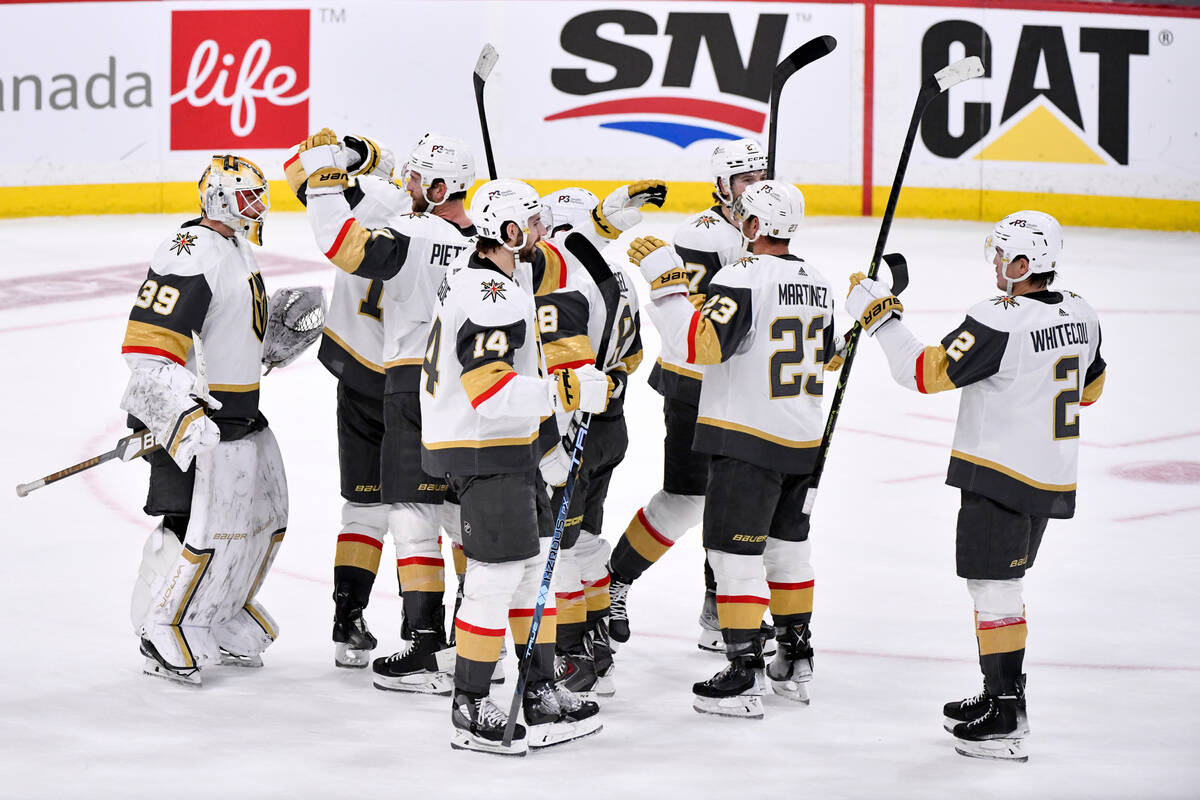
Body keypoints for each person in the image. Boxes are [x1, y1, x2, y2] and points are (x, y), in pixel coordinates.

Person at [844, 210, 1106, 761]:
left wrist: (879, 317)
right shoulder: (1083, 312)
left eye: (1001, 253)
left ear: (1023, 263)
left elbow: (925, 372)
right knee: (998, 587)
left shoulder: (1000, 317)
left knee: (995, 590)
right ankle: (999, 695)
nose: (994, 261)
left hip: (1001, 473)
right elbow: (1092, 388)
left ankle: (1007, 711)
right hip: (1050, 473)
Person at [421, 178, 610, 754]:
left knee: (531, 572)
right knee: (497, 575)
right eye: (531, 224)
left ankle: (540, 688)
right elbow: (490, 391)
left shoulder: (495, 280)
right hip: (484, 445)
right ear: (506, 232)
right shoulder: (490, 295)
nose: (540, 233)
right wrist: (570, 388)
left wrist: (546, 446)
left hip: (506, 445)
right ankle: (471, 700)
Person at [628, 181, 830, 718]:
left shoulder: (742, 274)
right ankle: (794, 657)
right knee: (788, 553)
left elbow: (699, 345)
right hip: (803, 440)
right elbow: (827, 353)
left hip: (748, 436)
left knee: (732, 556)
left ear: (757, 227)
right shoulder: (818, 280)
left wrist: (667, 288)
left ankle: (745, 671)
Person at [291, 129, 478, 693]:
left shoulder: (385, 206)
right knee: (444, 510)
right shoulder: (467, 235)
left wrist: (343, 157)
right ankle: (459, 629)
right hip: (432, 379)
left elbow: (306, 180)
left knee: (374, 509)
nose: (407, 182)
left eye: (414, 176)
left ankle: (363, 622)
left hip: (373, 374)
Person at [123, 155, 289, 686]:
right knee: (187, 521)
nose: (258, 206)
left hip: (234, 413)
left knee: (245, 522)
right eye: (247, 196)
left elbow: (223, 328)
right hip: (188, 417)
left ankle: (215, 608)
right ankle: (159, 624)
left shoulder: (234, 245)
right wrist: (179, 410)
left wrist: (267, 344)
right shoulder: (189, 249)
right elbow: (150, 343)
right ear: (218, 198)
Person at [606, 139, 772, 653]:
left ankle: (719, 609)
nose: (754, 188)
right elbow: (698, 320)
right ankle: (616, 579)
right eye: (744, 180)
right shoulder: (699, 235)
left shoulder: (764, 226)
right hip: (694, 385)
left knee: (734, 501)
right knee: (686, 498)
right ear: (721, 186)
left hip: (739, 387)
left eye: (759, 177)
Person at [285, 132, 406, 669]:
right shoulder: (444, 235)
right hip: (411, 386)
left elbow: (305, 178)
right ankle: (431, 629)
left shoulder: (369, 202)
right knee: (431, 509)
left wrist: (353, 152)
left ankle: (347, 621)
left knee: (364, 506)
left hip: (356, 373)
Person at [535, 185, 656, 697]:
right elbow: (632, 358)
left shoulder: (563, 283)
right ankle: (600, 641)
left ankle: (572, 653)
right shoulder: (622, 279)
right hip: (612, 426)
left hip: (572, 429)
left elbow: (563, 364)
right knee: (585, 541)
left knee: (558, 546)